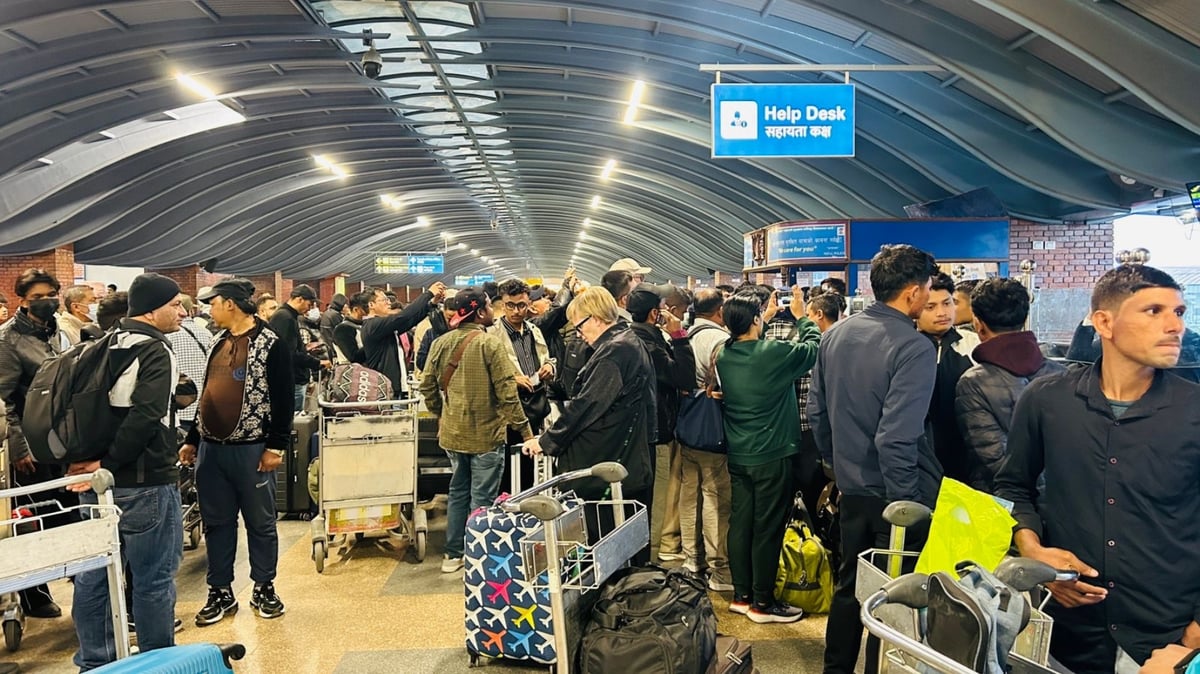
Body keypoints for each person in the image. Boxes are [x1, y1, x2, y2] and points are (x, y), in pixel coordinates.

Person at [994, 265, 1200, 673]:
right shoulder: (1047, 400)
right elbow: (1012, 487)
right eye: (1154, 311)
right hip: (1070, 632)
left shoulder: (1193, 411)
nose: (1174, 326)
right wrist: (1035, 553)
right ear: (1104, 323)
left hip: (1167, 640)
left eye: (1179, 313)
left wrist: (1196, 634)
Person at [811, 244, 941, 674]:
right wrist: (907, 504)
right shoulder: (915, 348)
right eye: (927, 289)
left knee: (850, 587)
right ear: (912, 292)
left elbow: (816, 413)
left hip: (852, 489)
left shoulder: (835, 335)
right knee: (891, 599)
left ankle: (835, 669)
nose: (929, 297)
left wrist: (837, 467)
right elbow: (896, 437)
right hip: (894, 494)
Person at [66, 273, 187, 670]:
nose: (183, 312)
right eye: (175, 305)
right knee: (153, 579)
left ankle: (95, 663)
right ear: (151, 310)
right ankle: (156, 662)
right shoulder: (154, 350)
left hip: (93, 482)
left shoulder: (103, 344)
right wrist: (110, 463)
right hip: (144, 481)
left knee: (93, 576)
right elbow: (147, 416)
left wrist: (95, 464)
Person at [181, 279, 294, 625]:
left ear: (230, 303)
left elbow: (284, 398)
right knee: (217, 524)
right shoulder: (217, 341)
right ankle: (220, 590)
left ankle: (264, 586)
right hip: (212, 451)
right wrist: (193, 439)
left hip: (253, 450)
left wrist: (275, 445)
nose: (209, 310)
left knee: (260, 523)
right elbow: (207, 393)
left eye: (213, 303)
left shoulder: (271, 343)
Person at [521, 288, 656, 564]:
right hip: (626, 455)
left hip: (605, 460)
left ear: (595, 318)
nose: (579, 334)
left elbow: (588, 405)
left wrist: (547, 441)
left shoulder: (614, 351)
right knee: (625, 541)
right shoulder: (628, 340)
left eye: (579, 326)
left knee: (606, 542)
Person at [717, 290, 820, 623]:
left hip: (739, 453)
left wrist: (766, 318)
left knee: (741, 524)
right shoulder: (772, 352)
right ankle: (763, 602)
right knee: (768, 528)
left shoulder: (724, 354)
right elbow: (813, 348)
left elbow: (750, 346)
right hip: (772, 453)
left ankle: (741, 596)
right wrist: (802, 317)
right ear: (755, 320)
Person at [419, 288, 532, 573]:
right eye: (489, 306)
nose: (493, 310)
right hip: (486, 435)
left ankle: (452, 554)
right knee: (482, 498)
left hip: (453, 434)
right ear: (480, 312)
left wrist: (440, 412)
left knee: (457, 492)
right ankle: (477, 556)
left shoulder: (441, 342)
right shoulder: (490, 344)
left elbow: (427, 385)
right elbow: (507, 393)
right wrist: (525, 431)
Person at [0, 268, 68, 618]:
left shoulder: (59, 330)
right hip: (29, 442)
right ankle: (34, 594)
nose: (46, 301)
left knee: (67, 512)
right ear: (23, 301)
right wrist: (18, 447)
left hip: (63, 438)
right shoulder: (8, 340)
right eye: (37, 297)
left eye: (51, 295)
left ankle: (80, 577)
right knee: (33, 518)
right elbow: (3, 400)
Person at [954, 278, 1064, 493]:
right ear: (1024, 318)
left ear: (978, 324)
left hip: (1001, 499)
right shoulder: (1062, 374)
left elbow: (993, 456)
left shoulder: (972, 383)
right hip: (1059, 497)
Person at [626, 285, 695, 568]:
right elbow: (684, 378)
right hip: (658, 433)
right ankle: (651, 561)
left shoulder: (629, 337)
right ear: (655, 313)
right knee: (657, 500)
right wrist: (679, 337)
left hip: (640, 431)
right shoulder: (650, 344)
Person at [676, 289, 733, 590]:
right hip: (712, 429)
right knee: (715, 498)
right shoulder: (719, 340)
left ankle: (691, 559)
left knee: (690, 494)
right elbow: (727, 384)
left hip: (688, 425)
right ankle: (719, 569)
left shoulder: (684, 335)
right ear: (720, 310)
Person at [489, 279, 558, 490]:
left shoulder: (533, 330)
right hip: (507, 410)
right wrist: (512, 379)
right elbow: (486, 373)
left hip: (535, 405)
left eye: (521, 305)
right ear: (502, 304)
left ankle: (528, 500)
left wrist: (550, 367)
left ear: (529, 304)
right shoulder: (491, 334)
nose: (516, 311)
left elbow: (547, 357)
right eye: (510, 305)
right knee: (508, 467)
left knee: (529, 462)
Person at [916, 273, 979, 484]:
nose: (942, 313)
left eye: (947, 303)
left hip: (967, 456)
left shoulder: (974, 344)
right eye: (930, 307)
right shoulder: (906, 347)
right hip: (920, 459)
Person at [362, 283, 445, 395]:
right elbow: (404, 316)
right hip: (384, 390)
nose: (389, 303)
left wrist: (432, 303)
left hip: (392, 387)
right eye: (384, 300)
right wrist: (428, 294)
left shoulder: (381, 327)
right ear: (371, 305)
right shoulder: (373, 325)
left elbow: (410, 320)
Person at [268, 284, 328, 410]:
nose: (309, 309)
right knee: (295, 419)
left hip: (294, 378)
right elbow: (288, 353)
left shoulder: (289, 316)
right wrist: (317, 363)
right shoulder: (285, 318)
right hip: (291, 380)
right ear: (300, 299)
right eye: (309, 305)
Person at [167, 295, 212, 432]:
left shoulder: (168, 335)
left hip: (179, 406)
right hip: (202, 406)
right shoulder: (206, 333)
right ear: (191, 311)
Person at [332, 290, 371, 365]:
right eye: (366, 309)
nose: (369, 312)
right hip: (353, 370)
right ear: (356, 309)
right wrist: (373, 341)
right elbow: (353, 357)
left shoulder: (365, 325)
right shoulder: (343, 329)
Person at [319, 293, 347, 357]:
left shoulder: (327, 313)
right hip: (334, 348)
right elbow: (343, 333)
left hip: (326, 345)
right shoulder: (336, 315)